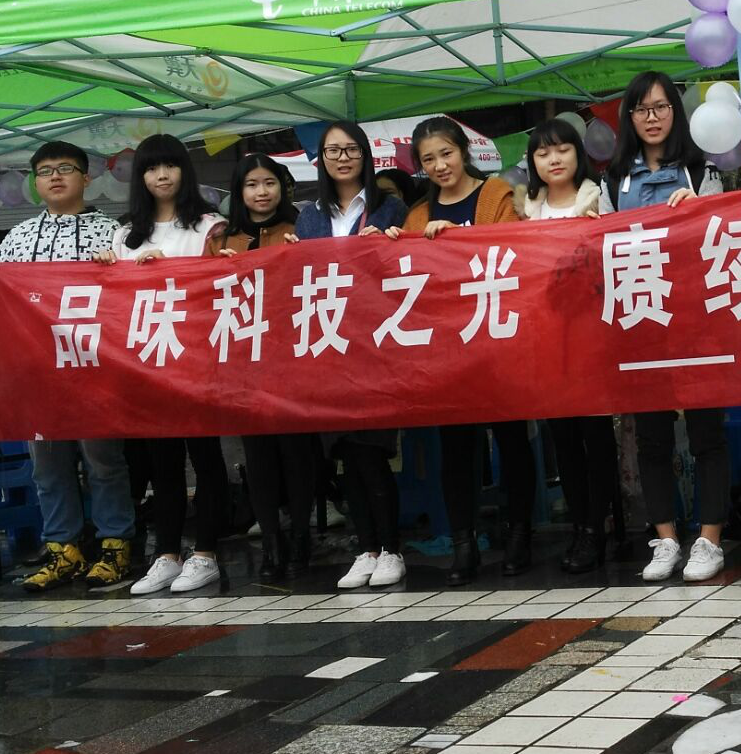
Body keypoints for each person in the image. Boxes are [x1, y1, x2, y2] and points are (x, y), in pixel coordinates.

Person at [389, 116, 535, 583]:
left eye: (446, 154)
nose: (439, 165)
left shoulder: (496, 195)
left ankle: (519, 536)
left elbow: (513, 251)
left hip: (499, 344)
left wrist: (457, 238)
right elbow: (406, 273)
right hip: (449, 353)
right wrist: (391, 243)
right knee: (456, 450)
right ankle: (463, 544)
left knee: (511, 443)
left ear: (463, 151)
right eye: (428, 159)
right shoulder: (417, 215)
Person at [603, 71, 729, 583]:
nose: (651, 118)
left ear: (676, 112)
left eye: (660, 107)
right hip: (641, 322)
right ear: (629, 118)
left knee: (706, 434)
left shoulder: (701, 169)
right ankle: (666, 540)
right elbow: (601, 247)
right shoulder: (613, 179)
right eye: (641, 109)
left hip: (697, 320)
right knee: (650, 438)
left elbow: (723, 235)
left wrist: (698, 211)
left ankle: (710, 540)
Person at [0, 141, 131, 592]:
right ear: (35, 183)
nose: (55, 176)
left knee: (103, 460)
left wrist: (116, 269)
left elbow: (129, 298)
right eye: (45, 171)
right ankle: (62, 549)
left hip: (94, 367)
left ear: (86, 178)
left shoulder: (113, 233)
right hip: (37, 372)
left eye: (65, 168)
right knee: (47, 465)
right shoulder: (17, 238)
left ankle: (115, 545)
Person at [97, 134, 229, 596]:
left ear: (183, 171)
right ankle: (167, 554)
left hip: (198, 360)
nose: (161, 175)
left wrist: (167, 267)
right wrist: (109, 268)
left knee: (205, 457)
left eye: (170, 165)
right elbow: (114, 303)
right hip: (148, 365)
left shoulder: (210, 225)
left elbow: (220, 284)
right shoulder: (124, 235)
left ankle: (206, 553)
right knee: (162, 463)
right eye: (152, 168)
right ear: (141, 177)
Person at [294, 120, 410, 589]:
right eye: (332, 151)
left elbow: (405, 270)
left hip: (376, 344)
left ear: (365, 155)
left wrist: (387, 246)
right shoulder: (309, 216)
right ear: (321, 160)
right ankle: (366, 548)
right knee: (343, 454)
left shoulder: (389, 206)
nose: (342, 158)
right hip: (329, 346)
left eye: (350, 149)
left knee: (371, 452)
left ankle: (392, 549)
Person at [208, 153, 317, 580]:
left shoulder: (302, 227)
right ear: (239, 192)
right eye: (251, 184)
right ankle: (272, 541)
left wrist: (301, 255)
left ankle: (302, 536)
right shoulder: (222, 238)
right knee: (258, 458)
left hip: (293, 361)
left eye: (269, 182)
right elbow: (201, 294)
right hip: (244, 367)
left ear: (282, 187)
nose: (261, 192)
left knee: (297, 455)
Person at [518, 117, 615, 574]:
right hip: (547, 341)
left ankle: (598, 528)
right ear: (532, 162)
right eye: (542, 153)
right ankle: (580, 526)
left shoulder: (598, 199)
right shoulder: (525, 210)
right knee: (564, 439)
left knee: (596, 437)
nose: (553, 159)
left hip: (592, 337)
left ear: (578, 153)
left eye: (562, 149)